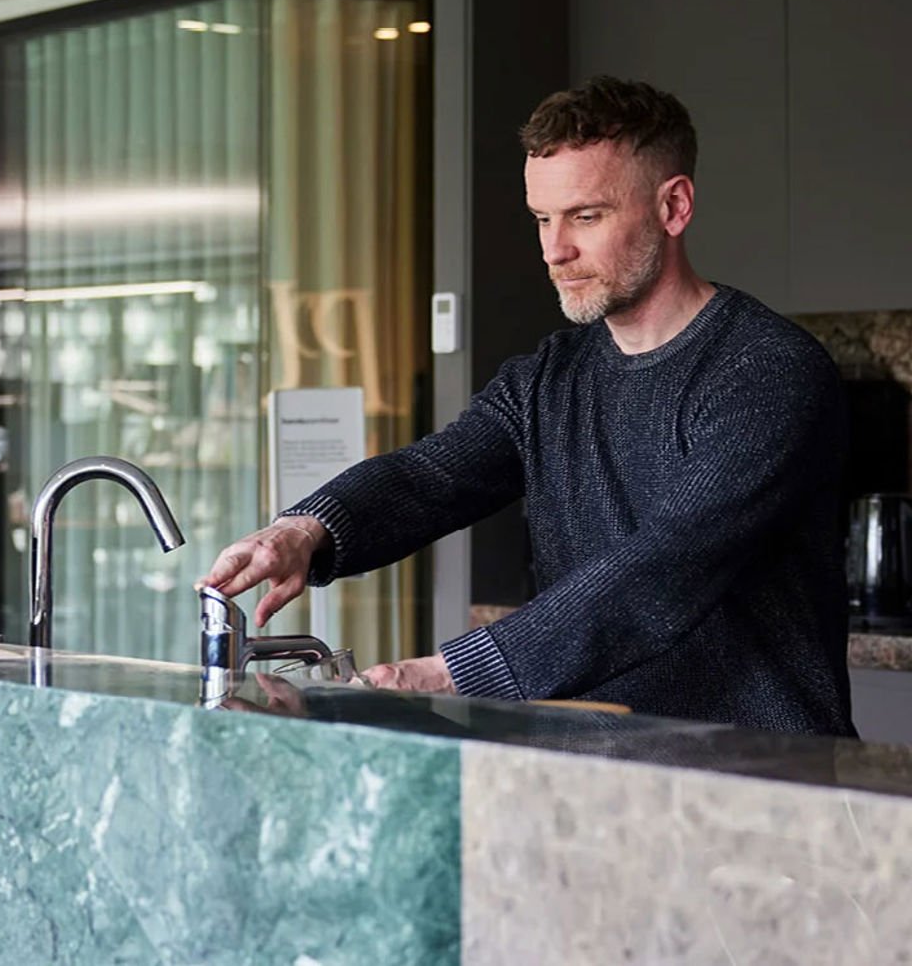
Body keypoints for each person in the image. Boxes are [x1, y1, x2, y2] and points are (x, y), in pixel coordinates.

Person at [202, 76, 853, 736]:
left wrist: (446, 672)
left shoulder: (767, 372)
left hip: (769, 778)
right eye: (542, 218)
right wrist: (304, 531)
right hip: (602, 771)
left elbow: (661, 570)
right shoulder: (551, 376)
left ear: (674, 206)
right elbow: (431, 475)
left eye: (585, 216)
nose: (554, 249)